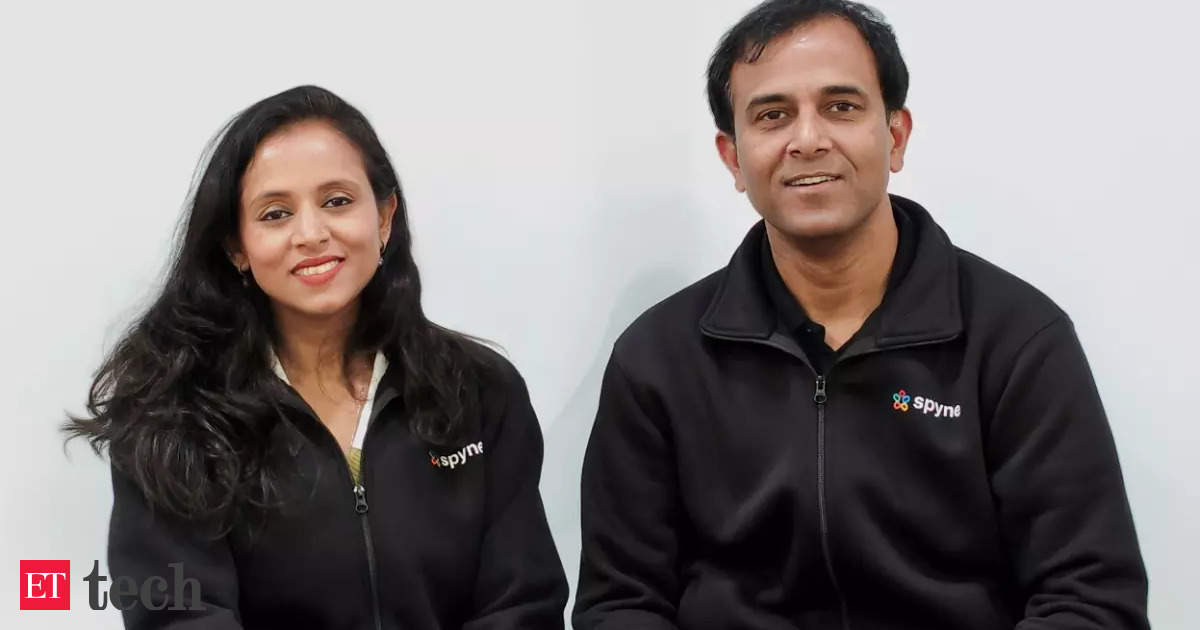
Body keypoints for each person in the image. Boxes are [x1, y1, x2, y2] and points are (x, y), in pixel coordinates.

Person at [573, 1, 1148, 628]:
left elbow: (1090, 599)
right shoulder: (658, 357)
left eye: (841, 107)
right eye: (772, 115)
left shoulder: (1017, 340)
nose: (808, 140)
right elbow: (622, 602)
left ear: (895, 136)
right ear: (733, 157)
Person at [67, 85, 567, 629]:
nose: (311, 234)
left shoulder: (479, 388)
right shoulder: (172, 413)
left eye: (337, 201)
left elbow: (522, 604)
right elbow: (179, 617)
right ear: (236, 246)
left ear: (384, 217)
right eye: (276, 213)